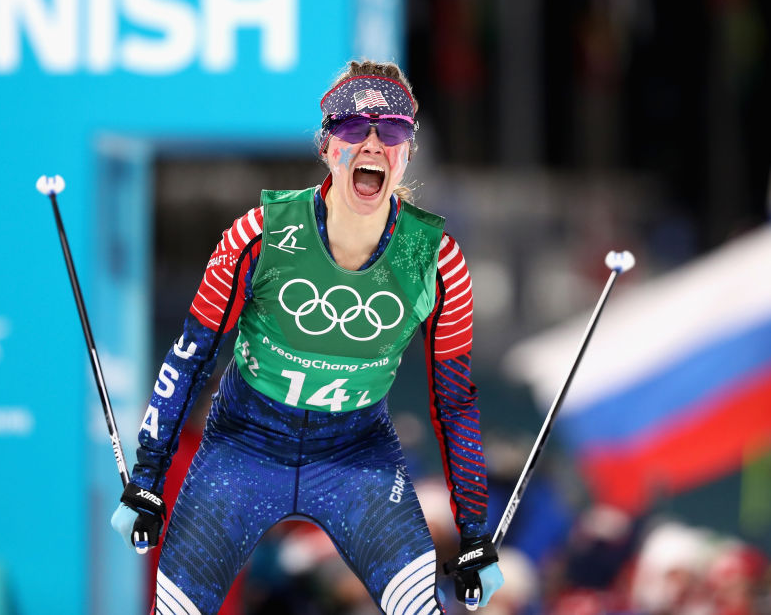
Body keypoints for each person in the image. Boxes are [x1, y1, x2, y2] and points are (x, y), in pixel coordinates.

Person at [111, 60, 504, 614]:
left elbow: (456, 402)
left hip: (354, 456)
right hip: (243, 447)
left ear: (407, 152)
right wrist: (148, 475)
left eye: (391, 132)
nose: (372, 145)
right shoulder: (261, 234)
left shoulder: (435, 260)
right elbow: (192, 355)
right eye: (352, 129)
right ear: (327, 146)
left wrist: (473, 534)